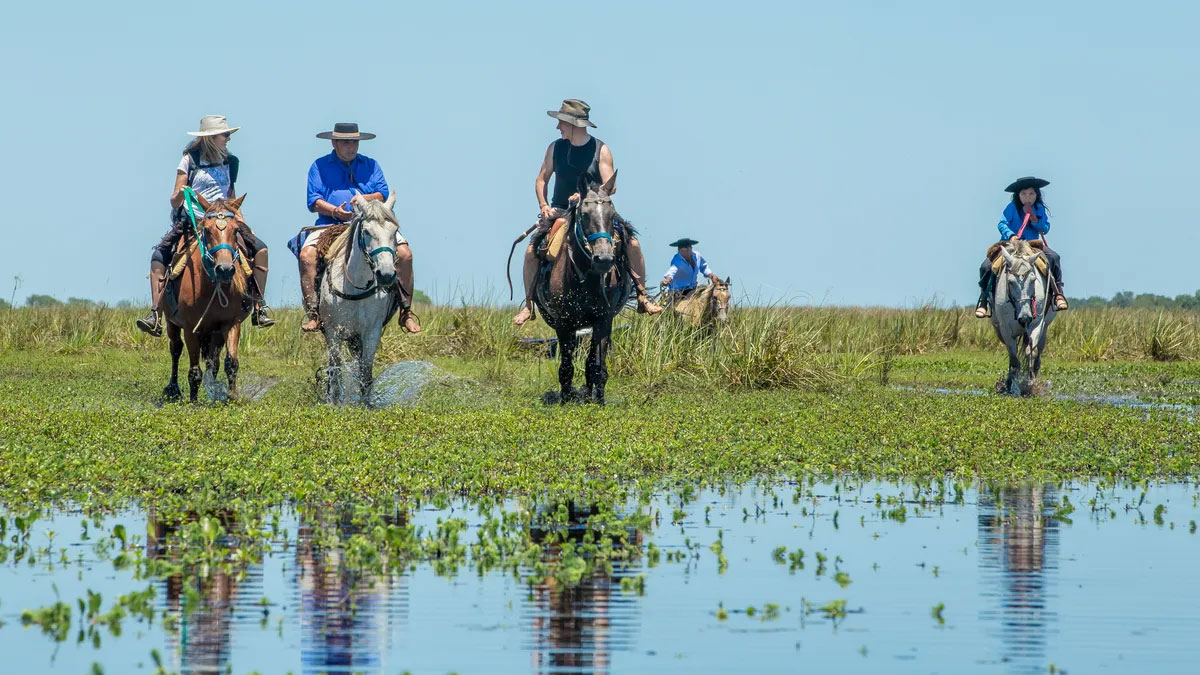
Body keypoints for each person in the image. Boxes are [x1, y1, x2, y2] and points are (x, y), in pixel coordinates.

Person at [512, 99, 662, 325]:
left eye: (561, 122)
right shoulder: (555, 148)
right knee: (531, 250)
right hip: (561, 211)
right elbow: (541, 179)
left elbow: (610, 185)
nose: (558, 127)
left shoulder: (601, 150)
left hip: (595, 211)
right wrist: (543, 205)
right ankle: (528, 304)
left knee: (633, 245)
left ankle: (642, 295)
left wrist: (584, 197)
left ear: (573, 124)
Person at [136, 115, 273, 336]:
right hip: (193, 221)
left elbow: (231, 197)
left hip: (226, 220)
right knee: (160, 257)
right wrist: (181, 193)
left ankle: (259, 306)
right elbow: (174, 200)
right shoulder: (190, 160)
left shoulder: (232, 162)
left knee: (261, 249)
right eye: (225, 134)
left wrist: (243, 224)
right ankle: (156, 313)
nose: (228, 138)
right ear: (211, 137)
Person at [293, 123, 421, 334]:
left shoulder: (371, 165)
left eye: (354, 142)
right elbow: (313, 200)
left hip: (372, 222)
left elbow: (383, 193)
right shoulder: (319, 166)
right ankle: (314, 312)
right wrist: (336, 211)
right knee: (307, 255)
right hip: (331, 224)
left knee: (405, 254)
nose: (351, 146)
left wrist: (363, 200)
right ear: (334, 143)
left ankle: (405, 311)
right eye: (345, 142)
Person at [975, 176, 1068, 318]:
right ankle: (984, 301)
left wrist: (1035, 220)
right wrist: (1011, 235)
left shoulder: (1039, 208)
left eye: (1031, 194)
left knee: (1054, 257)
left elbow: (1045, 228)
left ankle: (1058, 294)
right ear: (1018, 196)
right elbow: (1002, 224)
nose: (1027, 198)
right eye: (1023, 194)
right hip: (1010, 244)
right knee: (986, 267)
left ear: (1036, 195)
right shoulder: (1011, 208)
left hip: (1032, 245)